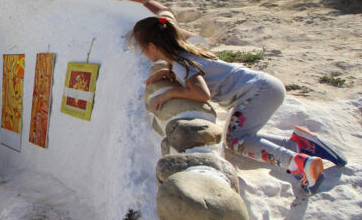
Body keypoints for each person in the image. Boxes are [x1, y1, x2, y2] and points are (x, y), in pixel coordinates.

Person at [133, 16, 347, 194]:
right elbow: (200, 72)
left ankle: (298, 162)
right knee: (241, 138)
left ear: (152, 46)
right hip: (263, 85)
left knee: (236, 141)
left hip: (257, 93)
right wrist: (169, 72)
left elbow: (201, 93)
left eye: (142, 48)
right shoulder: (184, 56)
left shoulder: (182, 65)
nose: (142, 52)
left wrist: (171, 92)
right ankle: (300, 144)